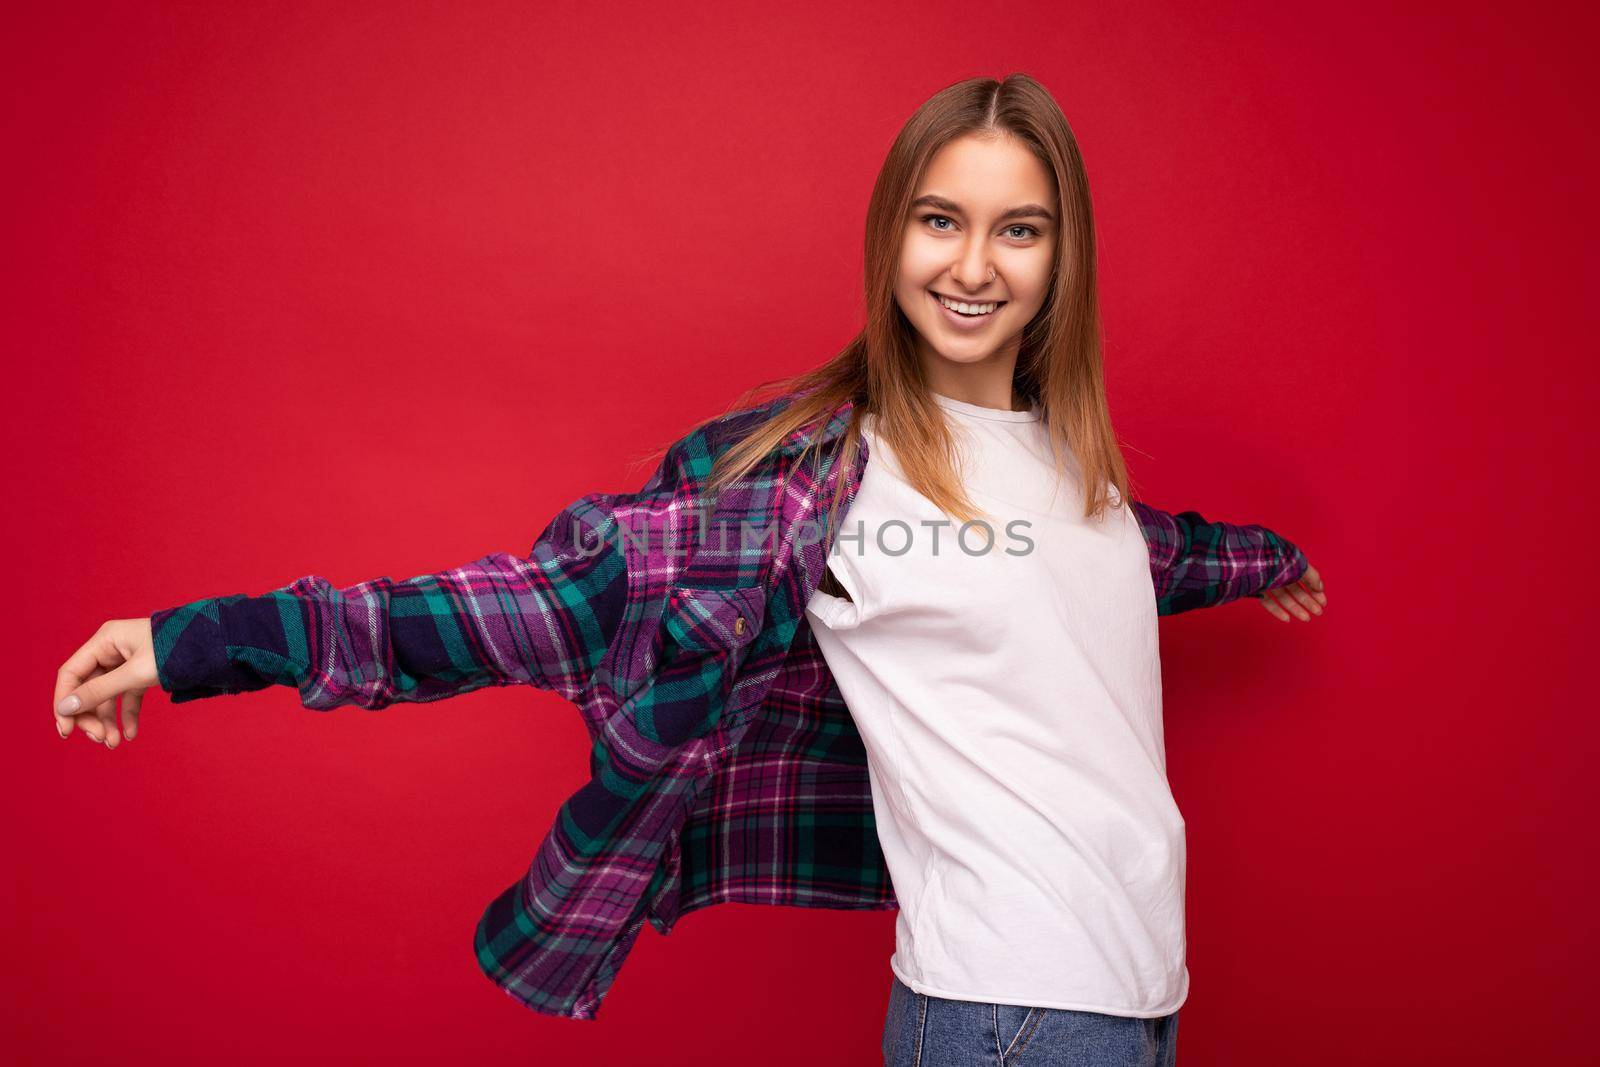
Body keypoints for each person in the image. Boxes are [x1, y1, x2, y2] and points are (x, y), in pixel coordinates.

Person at [50, 73, 1325, 1065]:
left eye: (1019, 229)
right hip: (1011, 1011)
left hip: (1143, 989)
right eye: (942, 220)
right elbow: (531, 605)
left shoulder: (1070, 471)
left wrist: (1261, 558)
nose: (976, 265)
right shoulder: (823, 488)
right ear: (891, 237)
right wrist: (198, 641)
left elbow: (1141, 553)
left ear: (1064, 258)